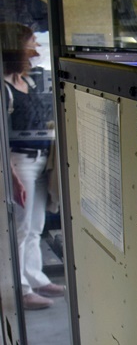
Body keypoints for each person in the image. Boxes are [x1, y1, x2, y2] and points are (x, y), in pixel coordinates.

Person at [1, 21, 64, 310]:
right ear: (16, 48)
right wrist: (11, 176)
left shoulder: (30, 81)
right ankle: (20, 289)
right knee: (20, 227)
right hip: (19, 161)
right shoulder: (5, 88)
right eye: (31, 44)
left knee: (35, 225)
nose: (36, 49)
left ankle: (35, 278)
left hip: (40, 159)